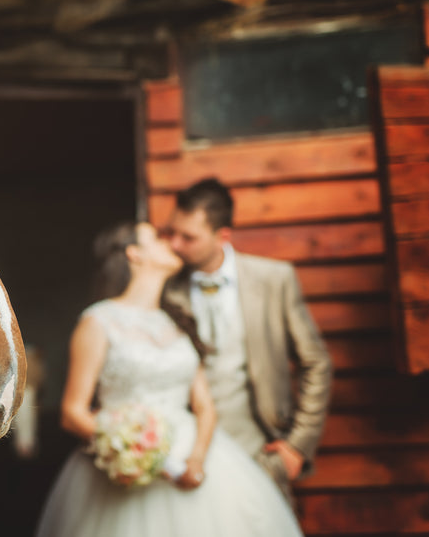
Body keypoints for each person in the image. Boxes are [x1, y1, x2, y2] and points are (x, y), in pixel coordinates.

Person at [35, 221, 303, 537]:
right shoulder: (99, 321)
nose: (171, 244)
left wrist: (196, 461)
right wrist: (145, 456)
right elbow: (72, 413)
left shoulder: (177, 323)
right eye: (158, 239)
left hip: (199, 461)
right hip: (125, 471)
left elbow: (204, 406)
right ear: (134, 253)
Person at [164, 177, 333, 503]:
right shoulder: (165, 289)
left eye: (188, 237)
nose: (174, 245)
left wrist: (298, 445)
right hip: (188, 451)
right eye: (171, 232)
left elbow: (316, 362)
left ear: (222, 236)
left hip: (260, 449)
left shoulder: (274, 279)